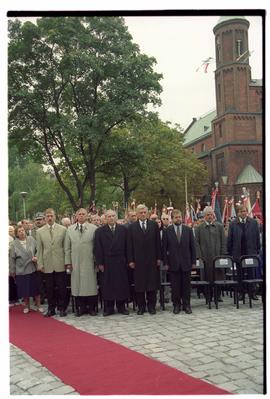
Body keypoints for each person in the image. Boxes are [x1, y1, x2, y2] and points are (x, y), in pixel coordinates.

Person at [127, 204, 161, 315]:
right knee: (139, 285)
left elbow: (158, 243)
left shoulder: (154, 225)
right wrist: (131, 260)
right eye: (140, 212)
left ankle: (151, 306)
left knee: (152, 284)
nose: (142, 214)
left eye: (144, 212)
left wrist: (158, 258)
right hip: (138, 261)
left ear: (148, 213)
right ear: (136, 214)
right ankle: (141, 306)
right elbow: (129, 245)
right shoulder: (132, 227)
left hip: (151, 260)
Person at [94, 209, 129, 316]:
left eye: (113, 216)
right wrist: (100, 263)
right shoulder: (99, 231)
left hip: (120, 261)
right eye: (109, 216)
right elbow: (97, 248)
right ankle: (108, 308)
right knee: (107, 285)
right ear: (105, 218)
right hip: (107, 262)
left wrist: (127, 261)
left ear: (116, 217)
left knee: (120, 284)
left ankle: (121, 307)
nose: (111, 218)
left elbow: (127, 247)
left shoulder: (123, 230)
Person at [65, 208, 98, 316]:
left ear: (87, 216)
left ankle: (92, 308)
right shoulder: (69, 229)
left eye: (84, 214)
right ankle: (81, 308)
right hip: (75, 262)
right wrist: (68, 263)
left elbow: (97, 247)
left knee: (90, 285)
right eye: (79, 214)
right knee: (77, 285)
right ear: (76, 216)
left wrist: (96, 261)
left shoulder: (94, 229)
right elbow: (67, 248)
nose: (82, 216)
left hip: (89, 261)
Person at [162, 209, 196, 314]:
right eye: (176, 217)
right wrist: (166, 263)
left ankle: (187, 305)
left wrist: (193, 262)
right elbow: (164, 248)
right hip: (173, 264)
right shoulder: (167, 231)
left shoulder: (188, 230)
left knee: (186, 286)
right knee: (175, 286)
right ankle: (176, 305)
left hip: (186, 263)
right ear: (172, 219)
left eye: (180, 217)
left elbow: (192, 247)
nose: (178, 219)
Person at [36, 208, 67, 317]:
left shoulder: (63, 230)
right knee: (49, 288)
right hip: (47, 264)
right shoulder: (39, 232)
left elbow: (65, 248)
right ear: (45, 217)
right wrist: (40, 264)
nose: (49, 218)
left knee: (62, 287)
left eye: (51, 216)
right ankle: (51, 308)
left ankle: (62, 308)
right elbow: (39, 249)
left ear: (55, 217)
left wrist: (67, 262)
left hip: (60, 263)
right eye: (47, 216)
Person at [227, 205, 261, 300]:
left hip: (250, 253)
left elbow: (257, 238)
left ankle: (252, 292)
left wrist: (257, 250)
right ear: (238, 213)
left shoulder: (253, 223)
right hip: (238, 253)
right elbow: (230, 239)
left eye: (245, 211)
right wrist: (230, 253)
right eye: (241, 211)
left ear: (247, 212)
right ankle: (241, 293)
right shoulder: (233, 224)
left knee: (251, 273)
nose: (243, 213)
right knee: (240, 274)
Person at [194, 206, 227, 301]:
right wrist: (199, 256)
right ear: (204, 216)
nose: (210, 216)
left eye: (211, 214)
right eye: (208, 215)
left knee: (218, 276)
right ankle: (208, 295)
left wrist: (222, 255)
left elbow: (223, 242)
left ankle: (218, 295)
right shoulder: (199, 228)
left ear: (214, 215)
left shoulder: (219, 226)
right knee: (206, 277)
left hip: (217, 256)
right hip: (205, 258)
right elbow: (196, 243)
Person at [9, 226, 43, 314]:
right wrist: (12, 271)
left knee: (36, 289)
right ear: (16, 234)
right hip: (21, 269)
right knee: (24, 290)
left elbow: (38, 250)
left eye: (23, 230)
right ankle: (27, 306)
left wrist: (36, 257)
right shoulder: (13, 244)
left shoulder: (31, 239)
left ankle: (39, 306)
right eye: (19, 231)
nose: (22, 232)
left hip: (32, 268)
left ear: (25, 231)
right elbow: (12, 258)